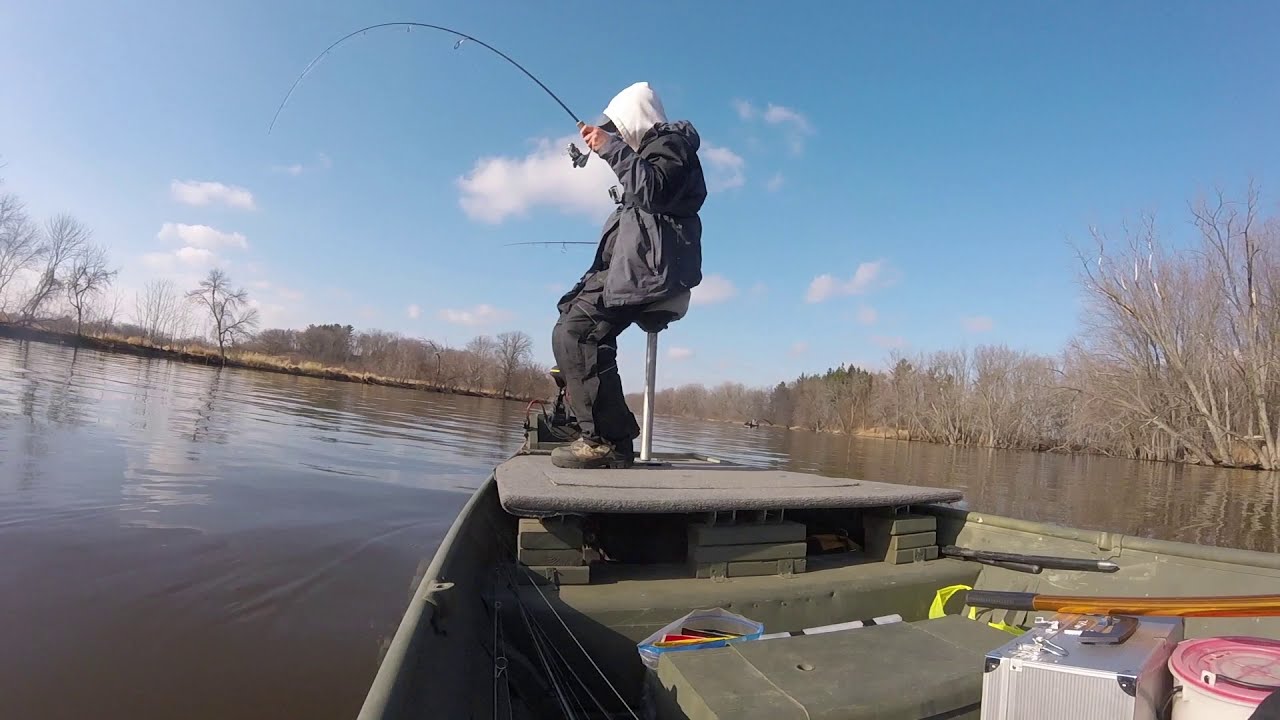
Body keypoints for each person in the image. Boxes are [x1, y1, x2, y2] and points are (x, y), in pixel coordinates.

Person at [549, 81, 707, 469]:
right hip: (639, 271)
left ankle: (606, 441)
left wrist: (611, 148)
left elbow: (653, 190)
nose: (615, 136)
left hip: (656, 274)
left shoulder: (672, 145)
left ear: (634, 121)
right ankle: (598, 428)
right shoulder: (649, 155)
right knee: (572, 324)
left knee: (577, 332)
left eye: (618, 129)